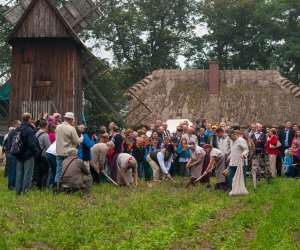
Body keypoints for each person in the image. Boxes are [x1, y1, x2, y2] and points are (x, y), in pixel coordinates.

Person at [54, 112, 83, 189]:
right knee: (69, 171)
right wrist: (81, 138)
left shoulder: (58, 127)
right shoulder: (71, 128)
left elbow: (56, 138)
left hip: (59, 152)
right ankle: (67, 187)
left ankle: (57, 188)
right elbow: (77, 141)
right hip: (68, 154)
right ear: (70, 119)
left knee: (59, 171)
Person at [13, 113, 39, 195]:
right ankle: (25, 192)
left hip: (18, 153)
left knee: (19, 174)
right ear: (29, 120)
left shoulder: (17, 129)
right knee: (27, 174)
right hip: (28, 155)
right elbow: (31, 144)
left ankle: (18, 191)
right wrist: (36, 151)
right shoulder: (29, 129)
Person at [3, 120, 21, 189]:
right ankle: (13, 185)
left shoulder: (10, 132)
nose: (20, 125)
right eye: (19, 124)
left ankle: (10, 185)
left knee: (11, 170)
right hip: (13, 153)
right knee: (14, 170)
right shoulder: (15, 132)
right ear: (16, 124)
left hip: (9, 152)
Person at [35, 120, 51, 189]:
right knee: (45, 172)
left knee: (39, 171)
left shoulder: (36, 133)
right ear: (46, 126)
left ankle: (38, 185)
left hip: (37, 155)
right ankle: (43, 186)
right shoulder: (45, 135)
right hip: (44, 155)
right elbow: (48, 146)